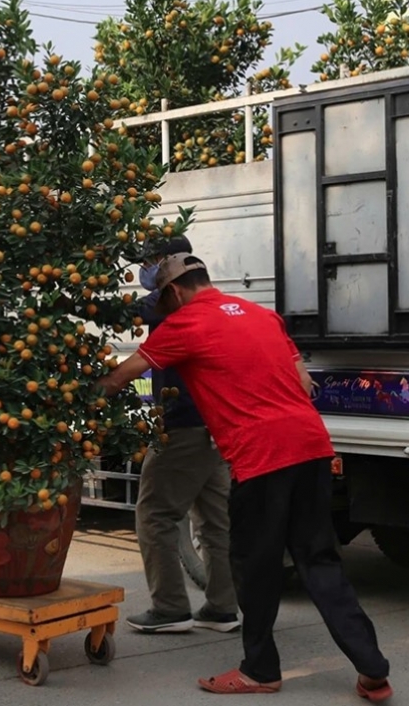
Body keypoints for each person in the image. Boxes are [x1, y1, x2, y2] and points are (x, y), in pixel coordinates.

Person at [98, 252, 392, 700]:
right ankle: (372, 669)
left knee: (255, 567)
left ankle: (259, 671)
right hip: (312, 446)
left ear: (174, 292)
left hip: (262, 457)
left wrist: (73, 398)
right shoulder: (263, 315)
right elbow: (301, 378)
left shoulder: (184, 323)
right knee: (319, 561)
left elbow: (122, 377)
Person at [126, 236, 240, 635]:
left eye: (151, 262)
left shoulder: (171, 303)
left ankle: (170, 607)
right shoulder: (206, 298)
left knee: (155, 514)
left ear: (167, 264)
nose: (145, 271)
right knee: (214, 519)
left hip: (184, 425)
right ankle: (223, 607)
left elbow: (124, 312)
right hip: (215, 425)